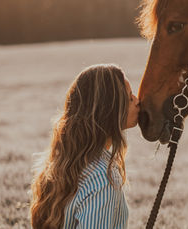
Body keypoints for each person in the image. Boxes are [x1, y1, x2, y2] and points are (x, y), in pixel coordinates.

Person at [30, 64, 140, 229]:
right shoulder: (103, 179)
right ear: (110, 109)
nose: (138, 101)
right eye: (130, 97)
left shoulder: (63, 164)